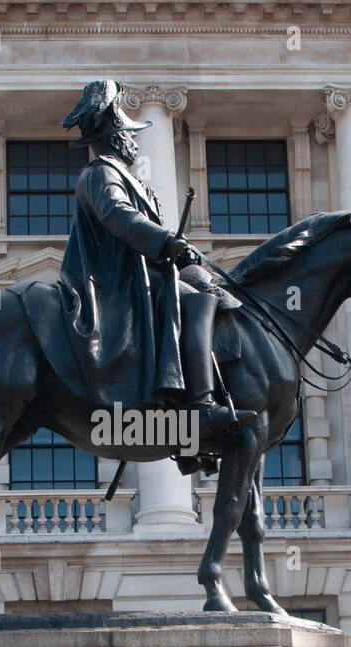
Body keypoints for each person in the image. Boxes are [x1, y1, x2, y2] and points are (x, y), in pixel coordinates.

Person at [59, 79, 252, 440]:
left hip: (143, 271)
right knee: (195, 299)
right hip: (115, 278)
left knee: (202, 282)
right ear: (116, 136)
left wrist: (182, 252)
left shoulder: (131, 179)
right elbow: (117, 215)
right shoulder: (101, 172)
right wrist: (166, 242)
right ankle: (201, 405)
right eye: (129, 133)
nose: (134, 140)